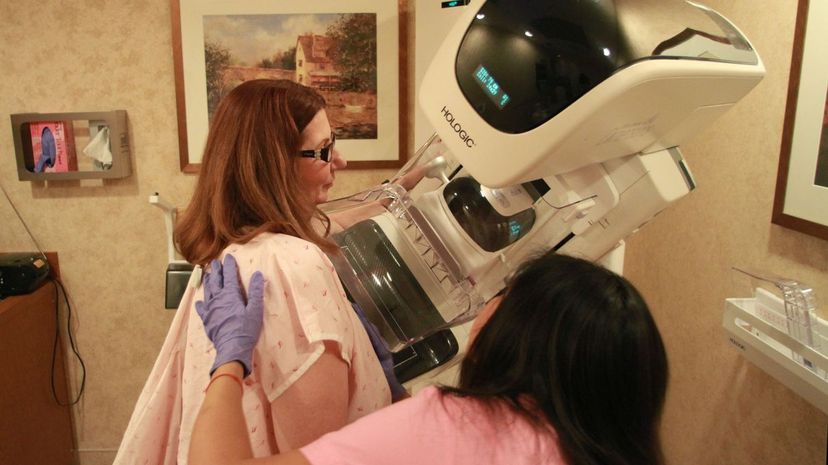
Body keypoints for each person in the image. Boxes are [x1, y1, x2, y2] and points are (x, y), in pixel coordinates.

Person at [114, 79, 395, 465]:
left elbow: (325, 224)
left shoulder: (229, 255)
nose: (340, 161)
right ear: (275, 165)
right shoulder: (295, 264)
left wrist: (399, 192)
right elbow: (319, 453)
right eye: (325, 150)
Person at [189, 251, 669, 465]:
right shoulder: (599, 444)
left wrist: (230, 361)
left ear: (518, 332)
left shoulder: (452, 421)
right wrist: (396, 393)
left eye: (501, 296)